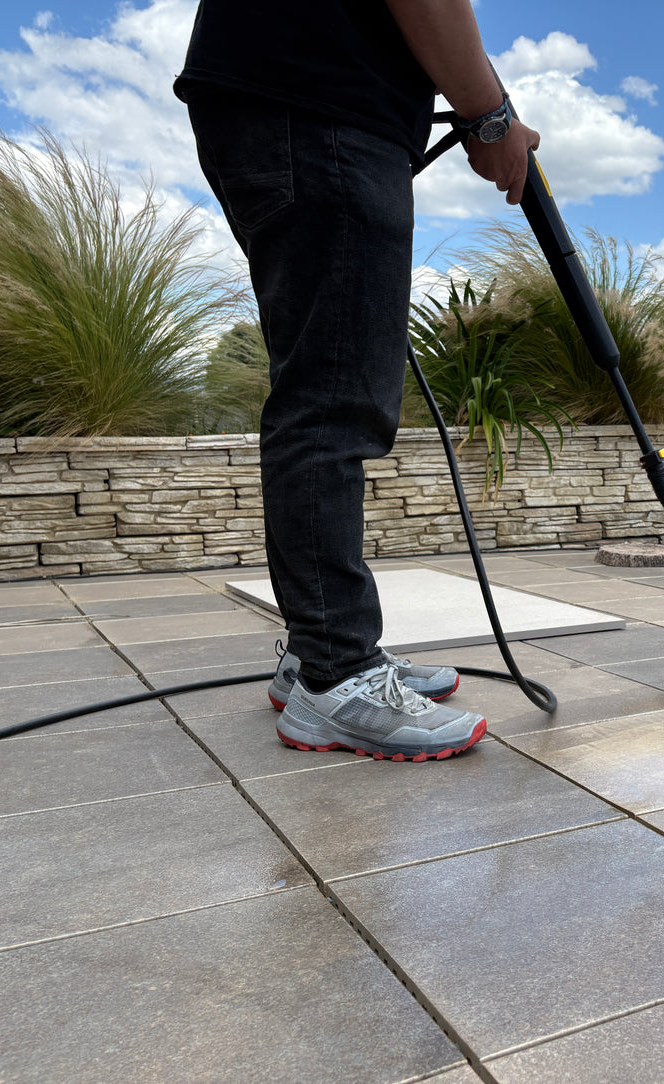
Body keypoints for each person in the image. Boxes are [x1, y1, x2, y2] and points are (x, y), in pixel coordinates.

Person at [174, 0, 540, 762]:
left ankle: (320, 653)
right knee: (334, 401)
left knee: (321, 383)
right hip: (321, 114)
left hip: (288, 109)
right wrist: (492, 119)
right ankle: (335, 676)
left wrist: (487, 112)